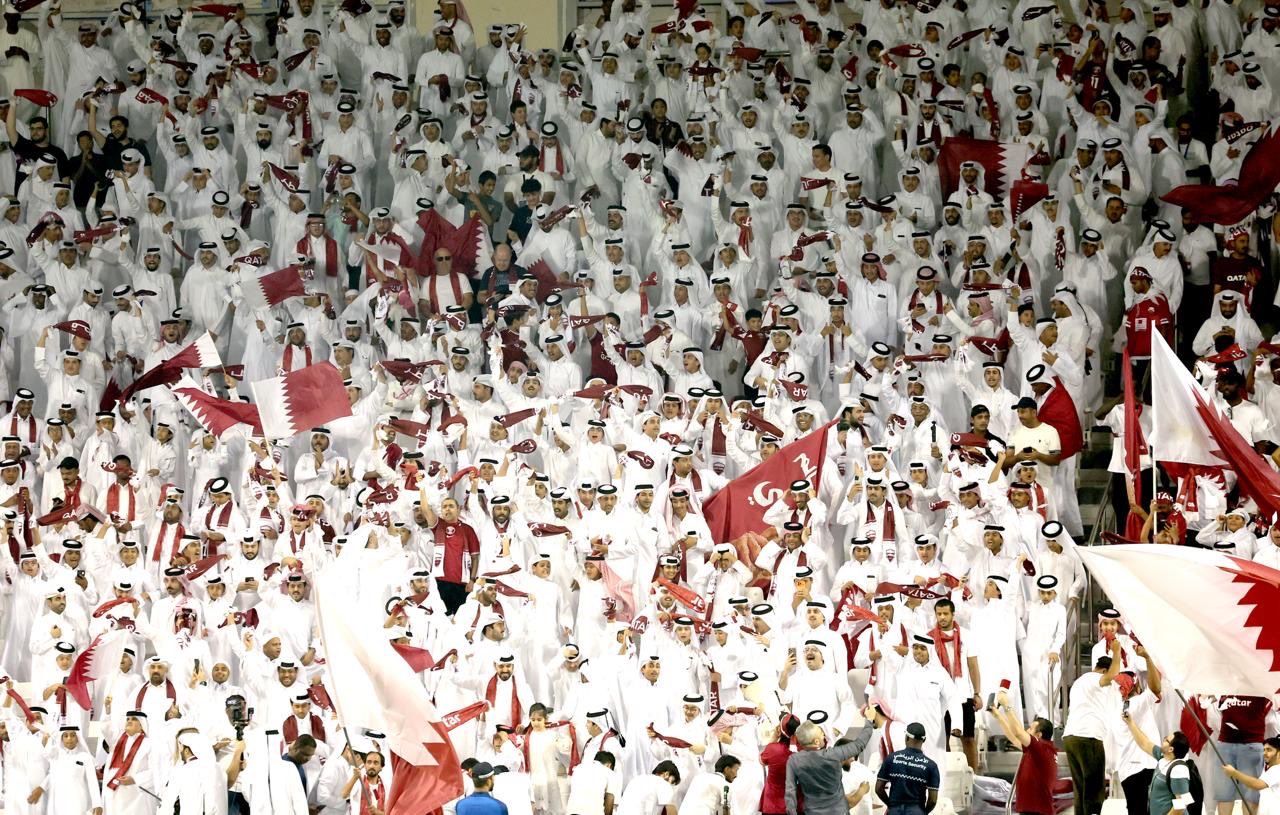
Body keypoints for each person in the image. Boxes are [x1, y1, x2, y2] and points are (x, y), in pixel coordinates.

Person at [1062, 640, 1123, 815]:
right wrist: (1117, 652)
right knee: (1094, 790)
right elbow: (1110, 676)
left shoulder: (1079, 682)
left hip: (1071, 738)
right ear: (1104, 669)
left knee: (1080, 789)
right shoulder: (1095, 679)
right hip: (1088, 737)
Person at [786, 704, 881, 815]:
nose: (824, 735)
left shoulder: (793, 761)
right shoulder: (833, 755)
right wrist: (869, 720)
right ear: (816, 742)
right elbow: (859, 744)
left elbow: (790, 792)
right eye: (821, 734)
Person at [990, 689, 1059, 815]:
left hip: (1037, 812)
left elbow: (1018, 732)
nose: (1027, 730)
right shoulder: (1037, 751)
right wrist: (997, 716)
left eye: (1030, 728)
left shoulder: (1043, 748)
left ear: (1038, 735)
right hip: (1031, 810)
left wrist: (1007, 705)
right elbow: (1014, 737)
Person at [1122, 710, 1199, 815]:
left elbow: (1183, 803)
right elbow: (1145, 743)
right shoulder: (1164, 757)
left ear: (1171, 749)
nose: (1163, 740)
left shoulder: (1179, 770)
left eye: (1166, 740)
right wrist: (1130, 722)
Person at [875, 722, 941, 815]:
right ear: (924, 740)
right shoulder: (931, 766)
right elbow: (933, 800)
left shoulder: (892, 758)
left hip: (894, 810)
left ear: (906, 737)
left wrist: (891, 805)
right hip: (917, 810)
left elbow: (878, 789)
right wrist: (923, 812)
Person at [1222, 737, 1280, 815]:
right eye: (1264, 750)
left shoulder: (1277, 770)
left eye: (1269, 750)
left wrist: (1234, 773)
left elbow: (1256, 784)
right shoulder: (1269, 769)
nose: (1264, 753)